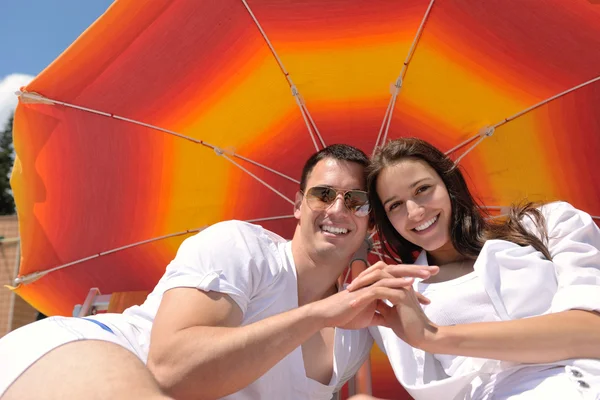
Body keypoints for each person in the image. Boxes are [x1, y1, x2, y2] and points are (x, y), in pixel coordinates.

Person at [0, 144, 433, 400]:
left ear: (370, 223)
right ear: (298, 205)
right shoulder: (241, 247)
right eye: (323, 194)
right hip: (94, 355)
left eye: (357, 201)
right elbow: (174, 370)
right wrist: (322, 314)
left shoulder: (357, 334)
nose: (338, 209)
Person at [347, 138, 600, 400]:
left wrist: (433, 336)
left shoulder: (546, 225)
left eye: (422, 189)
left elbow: (592, 332)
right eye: (395, 205)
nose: (414, 212)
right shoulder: (401, 297)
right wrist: (354, 252)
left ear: (449, 185)